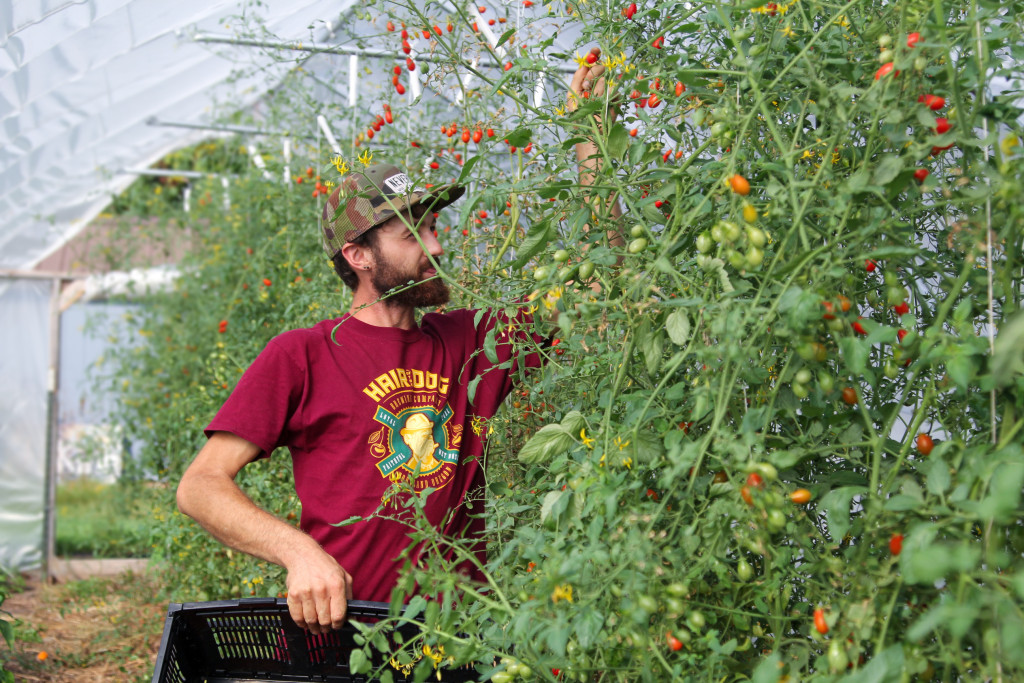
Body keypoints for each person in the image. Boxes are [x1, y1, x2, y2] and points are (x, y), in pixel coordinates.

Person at [176, 50, 621, 636]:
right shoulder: (303, 355)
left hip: (462, 641)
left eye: (434, 228)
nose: (435, 247)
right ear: (359, 256)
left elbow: (595, 280)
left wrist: (592, 140)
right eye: (414, 232)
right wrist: (299, 553)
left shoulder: (472, 342)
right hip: (353, 641)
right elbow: (201, 486)